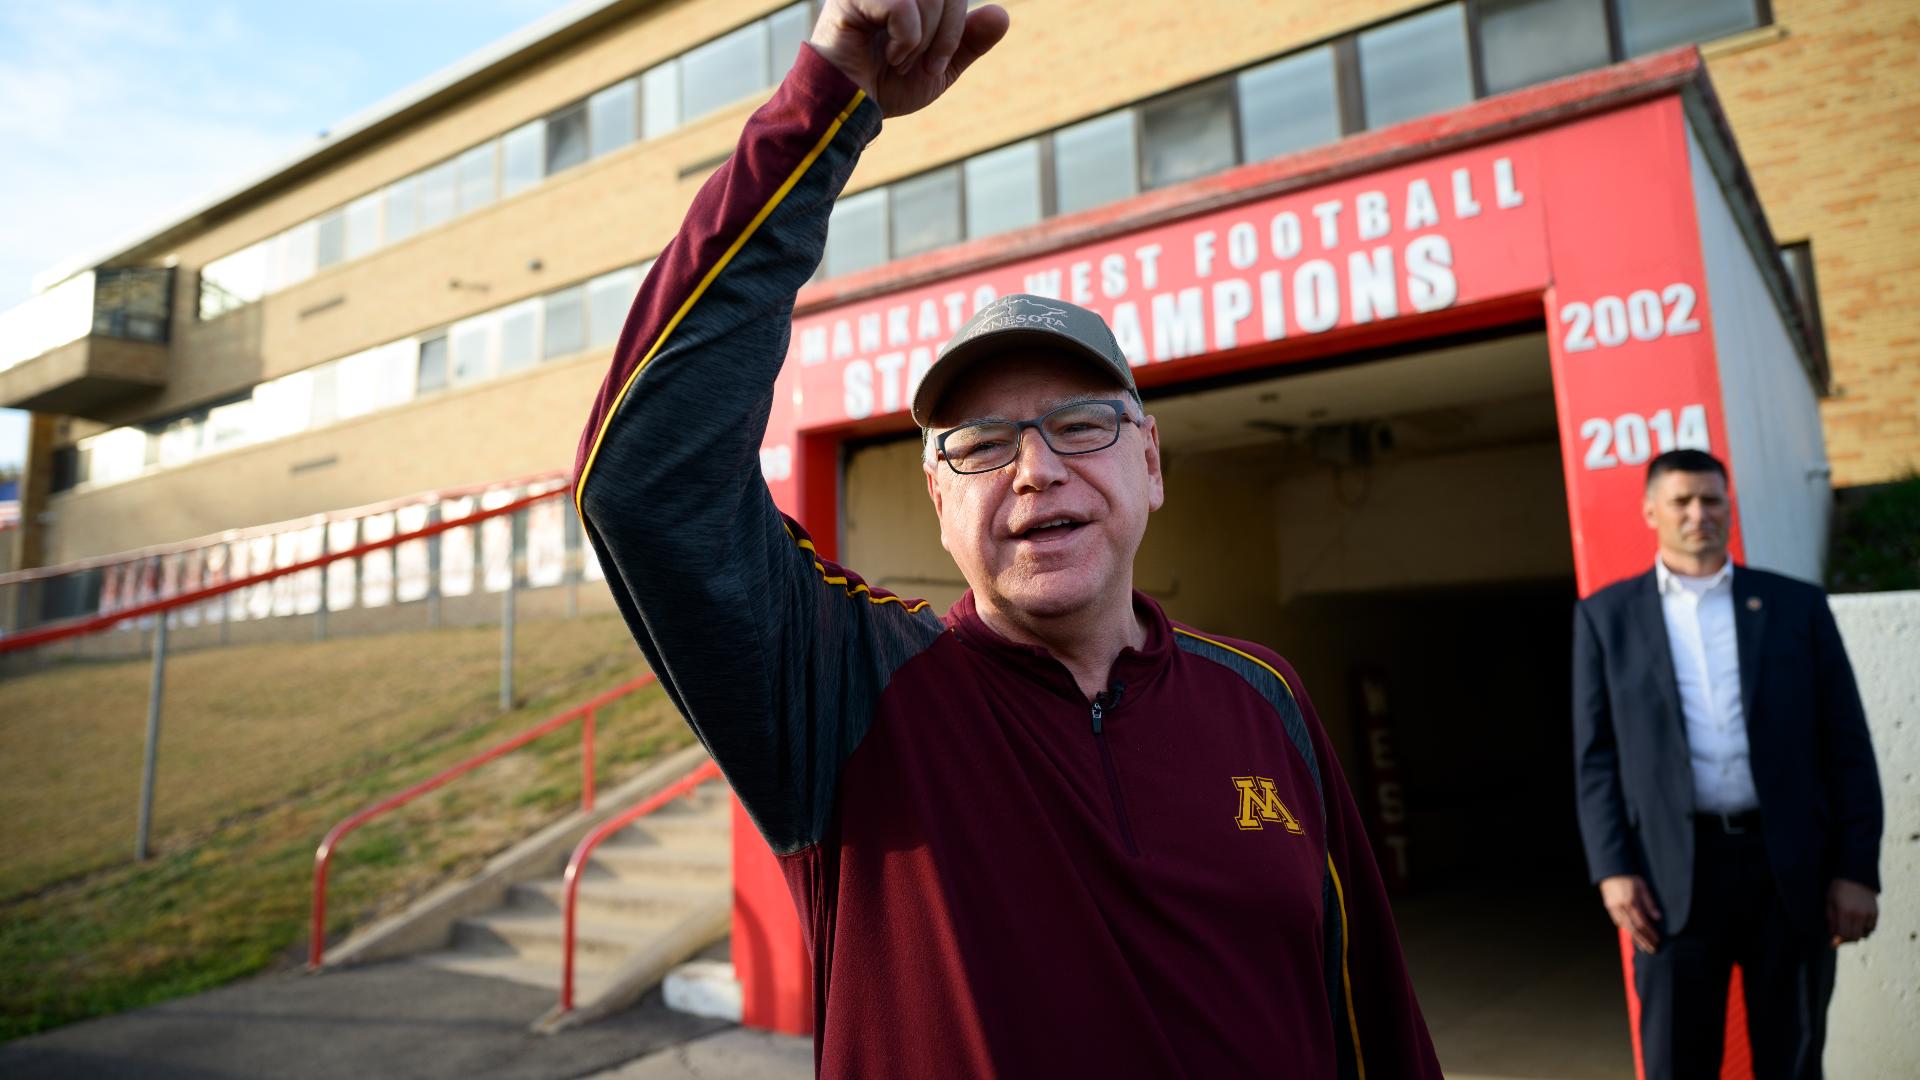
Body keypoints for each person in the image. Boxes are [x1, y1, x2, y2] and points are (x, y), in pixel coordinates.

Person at [573, 2, 1439, 1075]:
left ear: (1152, 463)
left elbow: (1373, 1022)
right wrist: (828, 99)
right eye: (982, 445)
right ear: (940, 502)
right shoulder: (849, 697)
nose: (1037, 470)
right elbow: (648, 483)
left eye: (1081, 426)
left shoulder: (1265, 700)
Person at [1572, 449, 1882, 1079]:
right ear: (1650, 511)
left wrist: (1856, 870)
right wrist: (1613, 871)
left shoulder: (1796, 607)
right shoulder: (1605, 618)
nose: (1698, 514)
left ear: (1729, 507)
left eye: (1712, 500)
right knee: (1676, 1064)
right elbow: (1595, 759)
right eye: (1681, 500)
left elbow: (1847, 746)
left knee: (1792, 1063)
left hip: (1790, 873)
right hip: (1669, 882)